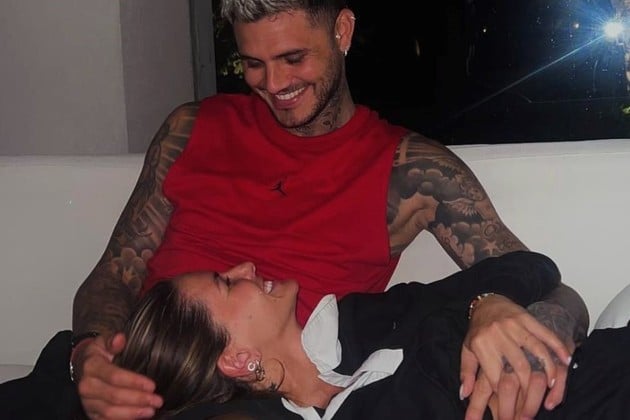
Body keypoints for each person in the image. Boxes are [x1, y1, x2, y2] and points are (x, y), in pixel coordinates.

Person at [67, 0, 589, 419]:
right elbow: (114, 273)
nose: (273, 85)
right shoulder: (190, 128)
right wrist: (88, 353)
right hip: (124, 379)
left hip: (250, 401)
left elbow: (553, 288)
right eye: (254, 64)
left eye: (293, 59)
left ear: (342, 31)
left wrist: (520, 330)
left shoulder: (412, 173)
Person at [114, 252, 627, 420]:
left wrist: (486, 306)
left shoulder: (361, 320)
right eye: (227, 284)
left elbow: (535, 267)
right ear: (235, 359)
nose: (245, 266)